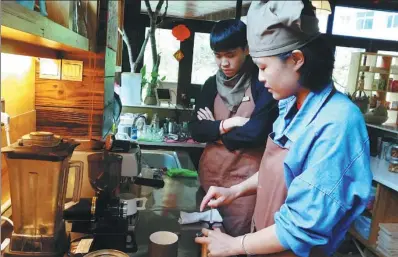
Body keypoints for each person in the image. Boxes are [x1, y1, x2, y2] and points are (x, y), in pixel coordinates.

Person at [195, 1, 373, 257]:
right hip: (265, 241)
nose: (259, 77)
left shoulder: (337, 123)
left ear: (296, 59)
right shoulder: (291, 105)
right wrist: (235, 190)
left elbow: (301, 227)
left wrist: (235, 244)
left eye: (264, 67)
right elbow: (278, 171)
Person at [189, 19, 278, 237]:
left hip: (244, 187)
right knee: (205, 240)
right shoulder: (211, 84)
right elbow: (196, 130)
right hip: (210, 176)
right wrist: (228, 124)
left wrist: (215, 131)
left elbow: (257, 133)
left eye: (230, 55)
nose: (223, 63)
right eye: (218, 56)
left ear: (246, 49)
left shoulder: (261, 83)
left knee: (236, 241)